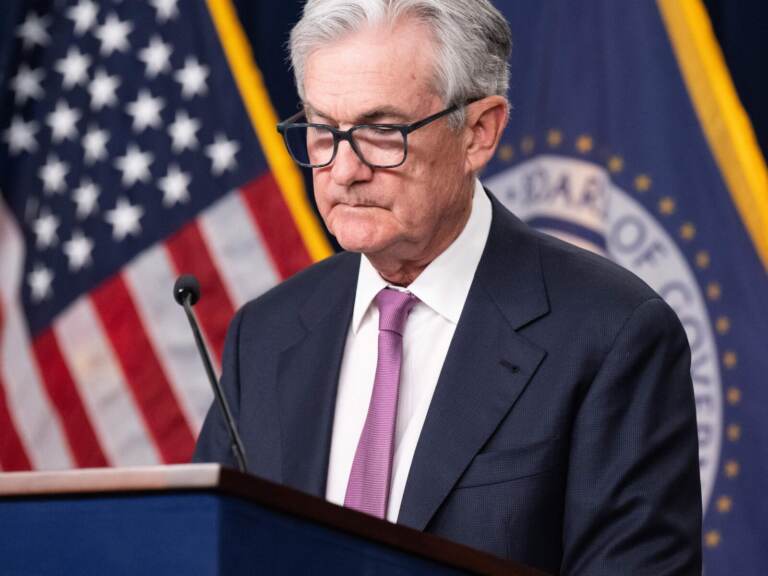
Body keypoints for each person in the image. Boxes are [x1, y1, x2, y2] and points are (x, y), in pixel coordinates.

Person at [194, 0, 702, 573]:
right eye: (322, 130)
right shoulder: (264, 333)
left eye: (381, 131)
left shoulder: (613, 336)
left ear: (478, 134)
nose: (343, 170)